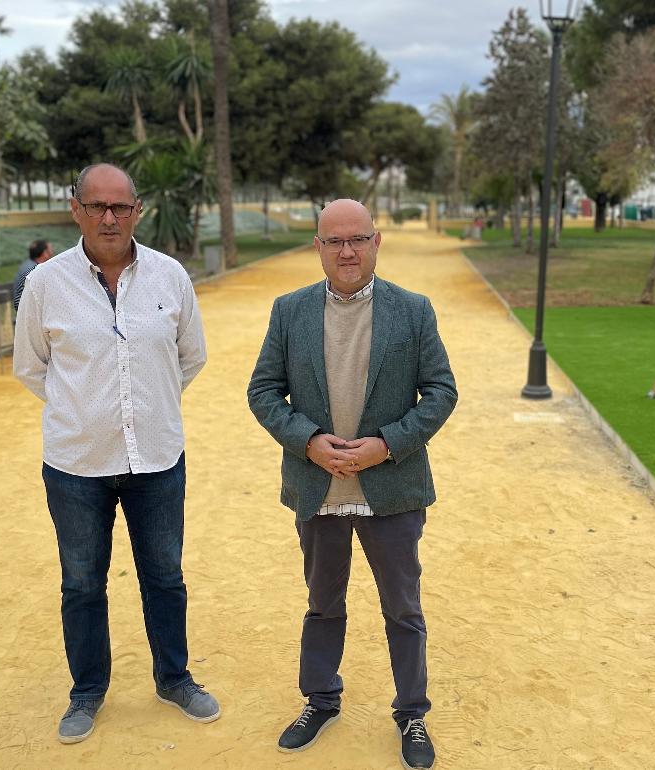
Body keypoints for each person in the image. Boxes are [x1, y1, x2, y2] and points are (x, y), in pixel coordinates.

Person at [247, 199, 456, 769]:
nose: (346, 251)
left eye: (357, 239)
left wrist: (384, 445)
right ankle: (320, 700)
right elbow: (263, 391)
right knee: (322, 605)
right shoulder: (288, 312)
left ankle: (412, 713)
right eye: (334, 241)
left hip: (391, 488)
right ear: (317, 247)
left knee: (403, 609)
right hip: (319, 490)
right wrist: (310, 442)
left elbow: (441, 391)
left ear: (376, 241)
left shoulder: (412, 311)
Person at [14, 163, 218, 745]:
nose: (110, 218)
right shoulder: (45, 284)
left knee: (166, 577)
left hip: (157, 459)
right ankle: (87, 692)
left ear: (138, 211)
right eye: (97, 206)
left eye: (121, 207)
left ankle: (174, 679)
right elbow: (31, 366)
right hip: (77, 465)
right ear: (74, 208)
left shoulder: (170, 276)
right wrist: (86, 411)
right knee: (81, 583)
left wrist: (145, 405)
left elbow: (190, 356)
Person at [13, 239, 53, 315]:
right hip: (28, 312)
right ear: (44, 253)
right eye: (50, 249)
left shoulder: (29, 264)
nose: (53, 252)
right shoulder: (33, 270)